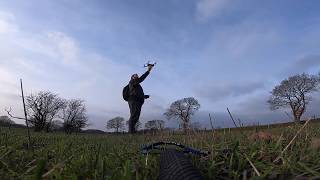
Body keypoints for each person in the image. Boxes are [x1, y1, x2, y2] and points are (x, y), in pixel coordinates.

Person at [128, 64, 153, 133]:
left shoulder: (136, 84)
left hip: (137, 101)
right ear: (132, 77)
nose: (137, 76)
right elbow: (142, 78)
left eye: (137, 75)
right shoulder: (132, 82)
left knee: (136, 117)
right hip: (134, 101)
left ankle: (132, 131)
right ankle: (131, 132)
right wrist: (148, 70)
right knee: (134, 116)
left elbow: (137, 94)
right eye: (135, 75)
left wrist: (145, 96)